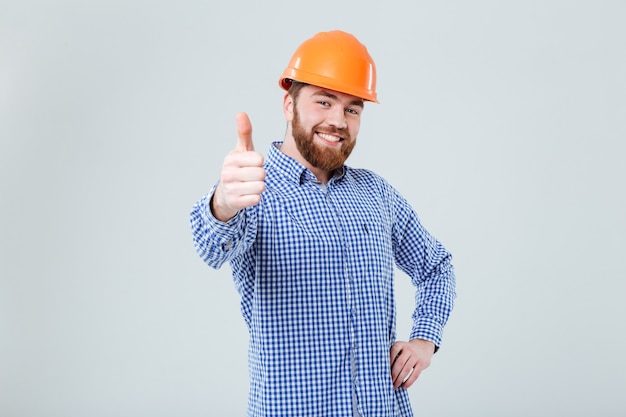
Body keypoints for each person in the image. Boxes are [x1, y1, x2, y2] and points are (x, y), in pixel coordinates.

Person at [190, 30, 456, 417]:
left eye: (352, 108)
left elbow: (436, 266)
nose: (338, 121)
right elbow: (210, 245)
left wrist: (425, 339)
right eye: (324, 101)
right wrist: (223, 202)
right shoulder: (252, 190)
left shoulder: (375, 194)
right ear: (288, 104)